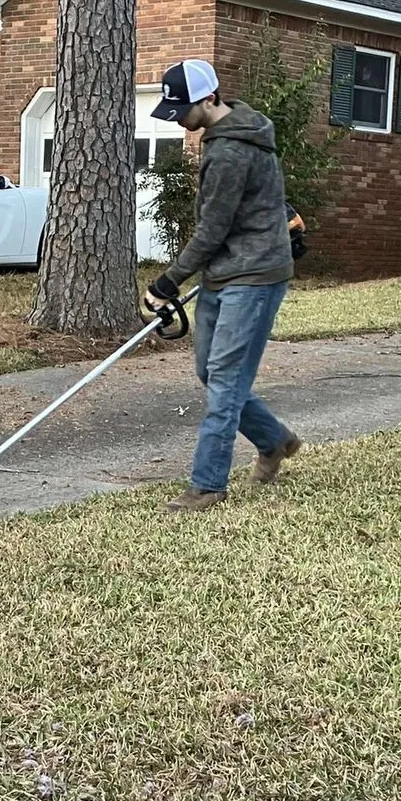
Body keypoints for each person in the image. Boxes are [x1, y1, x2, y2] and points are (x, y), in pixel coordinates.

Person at [146, 59, 301, 514]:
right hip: (227, 271)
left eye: (182, 109)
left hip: (252, 278)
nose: (177, 119)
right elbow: (256, 207)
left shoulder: (231, 152)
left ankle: (207, 485)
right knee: (211, 375)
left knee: (227, 384)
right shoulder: (235, 135)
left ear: (210, 98)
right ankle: (275, 440)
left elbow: (211, 230)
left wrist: (167, 282)